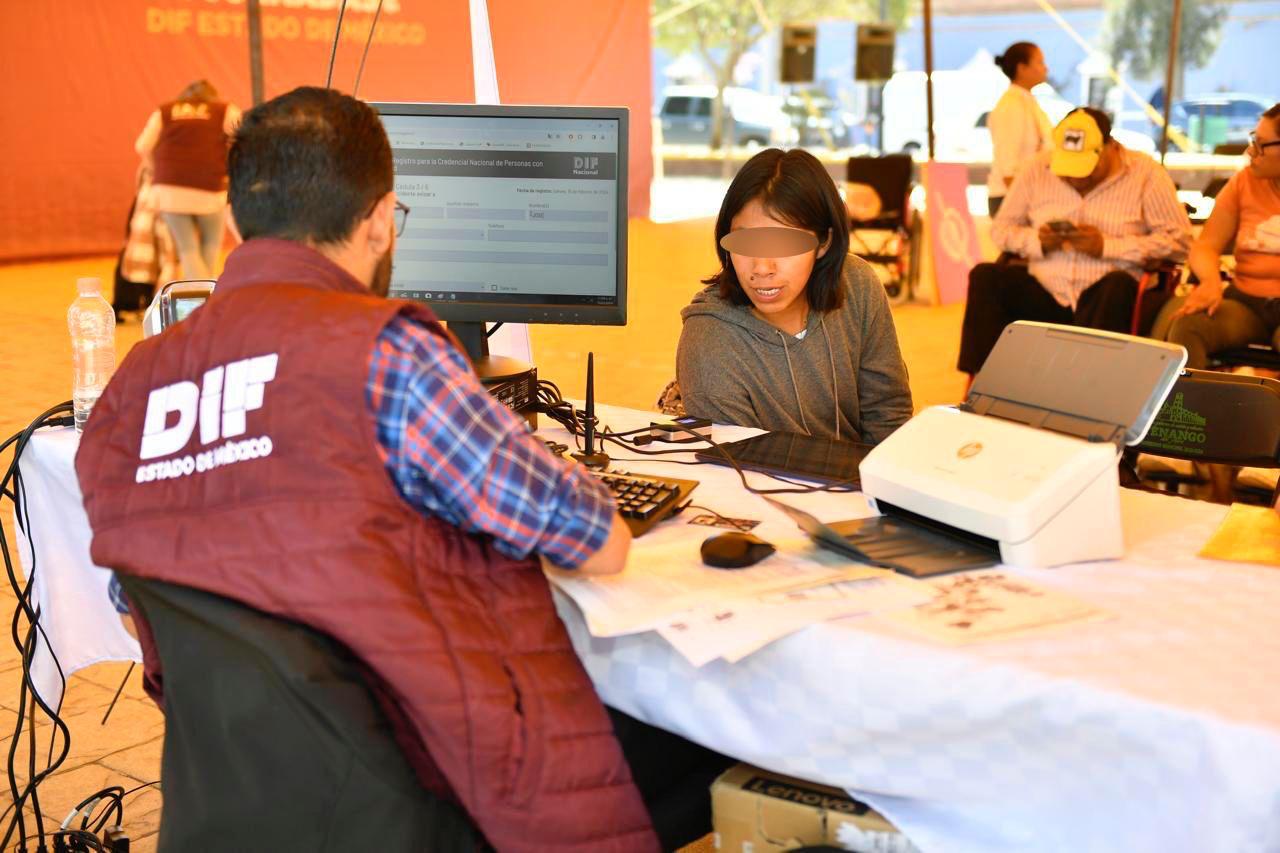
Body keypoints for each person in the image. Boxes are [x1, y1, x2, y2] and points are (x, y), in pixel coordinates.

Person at [77, 87, 728, 851]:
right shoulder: (387, 355)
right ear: (382, 220)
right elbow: (597, 541)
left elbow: (139, 609)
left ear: (234, 224)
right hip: (418, 790)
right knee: (708, 733)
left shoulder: (130, 392)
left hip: (231, 802)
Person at [676, 148, 913, 444]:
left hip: (863, 471)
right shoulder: (710, 338)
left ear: (823, 242)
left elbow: (888, 415)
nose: (762, 268)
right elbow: (737, 460)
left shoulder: (858, 285)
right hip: (761, 472)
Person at [958, 107, 1191, 376]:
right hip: (1047, 290)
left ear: (1110, 147)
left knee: (1116, 285)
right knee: (985, 276)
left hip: (1108, 296)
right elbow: (1001, 229)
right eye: (1068, 169)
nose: (1076, 178)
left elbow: (1180, 242)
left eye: (1086, 169)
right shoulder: (1037, 168)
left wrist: (1106, 247)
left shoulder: (1146, 173)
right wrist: (1037, 241)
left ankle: (1091, 385)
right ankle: (984, 382)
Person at [1160, 104, 1280, 368]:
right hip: (1247, 302)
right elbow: (1205, 245)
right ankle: (1187, 398)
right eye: (1253, 140)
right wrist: (1211, 282)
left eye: (1261, 145)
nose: (1250, 151)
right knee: (1187, 326)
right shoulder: (1244, 182)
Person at [134, 79, 241, 280]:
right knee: (211, 244)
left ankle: (199, 294)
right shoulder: (224, 110)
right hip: (210, 188)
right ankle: (205, 293)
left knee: (187, 249)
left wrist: (154, 168)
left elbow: (142, 146)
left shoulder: (165, 111)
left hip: (169, 190)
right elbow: (244, 138)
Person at [987, 41, 1054, 217]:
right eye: (1040, 62)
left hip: (1027, 194)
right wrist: (1027, 202)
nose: (1045, 68)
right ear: (1022, 68)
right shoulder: (1011, 105)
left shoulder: (1026, 100)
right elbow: (1007, 164)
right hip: (1011, 198)